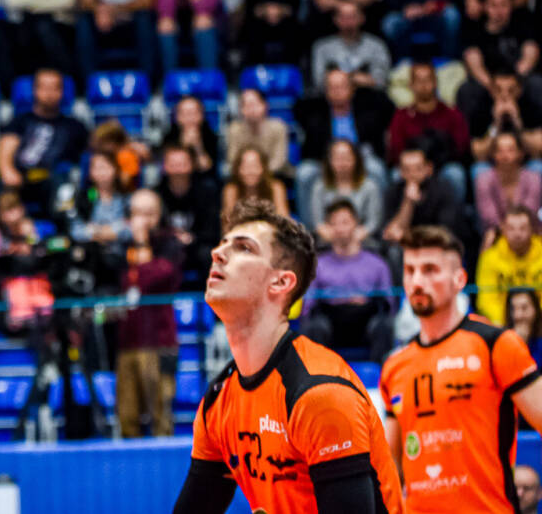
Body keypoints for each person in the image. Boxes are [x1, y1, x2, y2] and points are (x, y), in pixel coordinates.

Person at [172, 199, 403, 514]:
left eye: (244, 248)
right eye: (222, 243)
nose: (218, 253)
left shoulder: (319, 393)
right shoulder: (219, 400)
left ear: (281, 282)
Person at [382, 223, 542, 514]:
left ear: (459, 279)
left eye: (430, 270)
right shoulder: (395, 365)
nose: (417, 281)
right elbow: (391, 466)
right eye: (410, 270)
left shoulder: (496, 344)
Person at [115, 190, 181, 438]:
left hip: (160, 341)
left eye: (149, 213)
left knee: (160, 416)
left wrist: (142, 241)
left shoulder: (169, 243)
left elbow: (152, 278)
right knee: (127, 417)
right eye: (137, 213)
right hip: (127, 341)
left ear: (159, 215)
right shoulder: (122, 245)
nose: (142, 220)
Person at [301, 200, 395, 361]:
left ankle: (383, 374)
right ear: (328, 228)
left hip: (366, 323)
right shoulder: (317, 265)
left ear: (356, 224)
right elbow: (307, 308)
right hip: (331, 324)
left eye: (345, 222)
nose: (340, 228)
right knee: (314, 326)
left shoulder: (377, 264)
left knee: (384, 325)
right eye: (334, 223)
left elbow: (389, 304)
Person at [0, 67, 88, 216]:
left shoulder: (75, 126)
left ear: (62, 91)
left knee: (66, 186)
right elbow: (6, 147)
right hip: (22, 181)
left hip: (57, 182)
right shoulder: (20, 121)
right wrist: (7, 171)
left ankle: (66, 225)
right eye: (44, 87)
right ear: (35, 90)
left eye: (54, 88)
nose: (49, 93)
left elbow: (95, 149)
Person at [457, 0, 541, 126]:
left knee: (537, 84)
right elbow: (474, 63)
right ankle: (473, 135)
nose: (499, 10)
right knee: (467, 90)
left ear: (511, 5)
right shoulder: (474, 28)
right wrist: (495, 89)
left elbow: (530, 55)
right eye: (493, 5)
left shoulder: (523, 23)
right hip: (487, 84)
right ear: (485, 6)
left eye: (504, 4)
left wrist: (511, 87)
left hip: (518, 82)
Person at [295, 68, 392, 166]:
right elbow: (299, 106)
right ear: (325, 91)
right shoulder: (315, 114)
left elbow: (388, 106)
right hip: (325, 161)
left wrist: (367, 84)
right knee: (306, 170)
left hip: (361, 159)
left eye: (342, 86)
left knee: (375, 166)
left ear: (352, 89)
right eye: (332, 87)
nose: (337, 91)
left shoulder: (366, 110)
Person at [387, 61, 470, 174]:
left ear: (435, 83)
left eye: (427, 80)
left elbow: (462, 148)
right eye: (418, 80)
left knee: (455, 172)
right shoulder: (401, 116)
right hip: (411, 167)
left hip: (444, 165)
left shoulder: (452, 114)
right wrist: (417, 166)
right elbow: (396, 150)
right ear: (411, 85)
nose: (423, 85)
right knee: (396, 174)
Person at [157, 143, 220, 284]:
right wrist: (172, 236)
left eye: (182, 164)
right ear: (165, 166)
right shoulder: (156, 194)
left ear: (191, 165)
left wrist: (192, 238)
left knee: (208, 254)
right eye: (173, 164)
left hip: (198, 245)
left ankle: (212, 294)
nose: (178, 169)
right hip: (167, 246)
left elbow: (212, 230)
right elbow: (154, 229)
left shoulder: (206, 192)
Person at [381, 148, 465, 250]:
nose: (412, 174)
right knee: (393, 250)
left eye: (418, 169)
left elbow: (445, 231)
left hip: (435, 243)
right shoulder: (393, 191)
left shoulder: (443, 189)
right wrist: (408, 202)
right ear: (400, 171)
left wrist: (409, 238)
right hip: (406, 244)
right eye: (407, 169)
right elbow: (390, 234)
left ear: (428, 168)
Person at [475, 206, 542, 324]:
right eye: (511, 228)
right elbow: (486, 300)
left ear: (532, 229)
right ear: (503, 230)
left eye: (522, 228)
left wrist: (536, 322)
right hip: (502, 323)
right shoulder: (490, 257)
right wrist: (505, 323)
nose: (517, 234)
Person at [475, 131, 542, 245]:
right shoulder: (483, 179)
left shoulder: (533, 178)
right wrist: (508, 230)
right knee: (490, 237)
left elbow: (530, 211)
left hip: (529, 229)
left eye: (510, 150)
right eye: (500, 150)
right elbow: (488, 216)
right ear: (493, 154)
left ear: (520, 153)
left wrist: (516, 230)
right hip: (497, 232)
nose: (505, 155)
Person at [308, 140, 383, 239]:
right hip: (328, 239)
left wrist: (355, 237)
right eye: (337, 158)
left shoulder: (370, 187)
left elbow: (373, 222)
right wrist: (332, 236)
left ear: (356, 159)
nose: (342, 163)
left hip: (361, 239)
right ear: (329, 161)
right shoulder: (319, 187)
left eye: (346, 158)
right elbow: (318, 222)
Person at [310, 3, 391, 90]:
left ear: (362, 18)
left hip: (369, 95)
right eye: (343, 17)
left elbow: (382, 81)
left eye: (352, 16)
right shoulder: (322, 47)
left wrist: (341, 78)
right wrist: (356, 78)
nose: (348, 21)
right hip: (333, 95)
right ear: (335, 19)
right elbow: (319, 81)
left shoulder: (376, 45)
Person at [469, 70, 542, 162]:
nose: (504, 95)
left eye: (511, 90)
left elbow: (537, 151)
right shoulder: (481, 109)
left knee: (537, 165)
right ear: (491, 90)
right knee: (480, 167)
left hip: (524, 164)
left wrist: (517, 122)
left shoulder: (530, 108)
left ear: (519, 90)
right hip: (492, 164)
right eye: (498, 90)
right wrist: (496, 124)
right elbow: (479, 155)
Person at [223, 86, 289, 180]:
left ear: (265, 106)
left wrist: (257, 172)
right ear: (240, 110)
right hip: (243, 176)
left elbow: (279, 161)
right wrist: (249, 172)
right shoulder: (234, 129)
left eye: (255, 104)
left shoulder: (278, 127)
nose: (251, 109)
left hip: (274, 174)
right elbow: (232, 159)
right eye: (246, 105)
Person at [69, 149, 129, 246]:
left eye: (105, 167)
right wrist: (98, 233)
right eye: (97, 168)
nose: (102, 173)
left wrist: (100, 231)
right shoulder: (83, 198)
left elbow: (131, 229)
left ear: (116, 169)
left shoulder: (125, 198)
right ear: (90, 173)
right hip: (93, 251)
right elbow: (75, 231)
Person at [223, 146, 289, 225]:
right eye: (245, 167)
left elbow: (284, 220)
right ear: (237, 169)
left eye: (255, 166)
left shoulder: (276, 187)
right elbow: (227, 224)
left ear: (264, 168)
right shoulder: (231, 190)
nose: (250, 172)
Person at [161, 94, 221, 175]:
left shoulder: (211, 138)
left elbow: (207, 168)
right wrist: (183, 144)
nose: (189, 117)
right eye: (185, 113)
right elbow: (167, 169)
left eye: (193, 113)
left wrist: (197, 146)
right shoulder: (169, 138)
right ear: (177, 117)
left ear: (202, 115)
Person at [507, 287, 542, 365]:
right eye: (513, 309)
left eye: (524, 308)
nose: (517, 315)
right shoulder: (502, 340)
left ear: (536, 309)